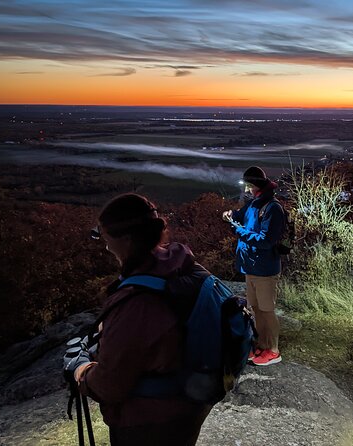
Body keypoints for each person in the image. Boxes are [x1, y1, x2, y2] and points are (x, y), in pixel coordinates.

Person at [69, 193, 213, 446]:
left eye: (104, 236)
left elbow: (110, 385)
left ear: (125, 239)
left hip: (150, 420)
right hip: (192, 403)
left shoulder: (136, 301)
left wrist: (81, 370)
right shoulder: (184, 265)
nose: (104, 244)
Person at [222, 166, 286, 366]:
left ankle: (273, 350)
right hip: (251, 267)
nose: (247, 190)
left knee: (267, 310)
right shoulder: (254, 205)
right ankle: (262, 344)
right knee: (256, 309)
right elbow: (241, 216)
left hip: (265, 269)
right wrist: (231, 214)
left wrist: (238, 231)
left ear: (257, 186)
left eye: (249, 186)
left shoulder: (273, 208)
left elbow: (266, 240)